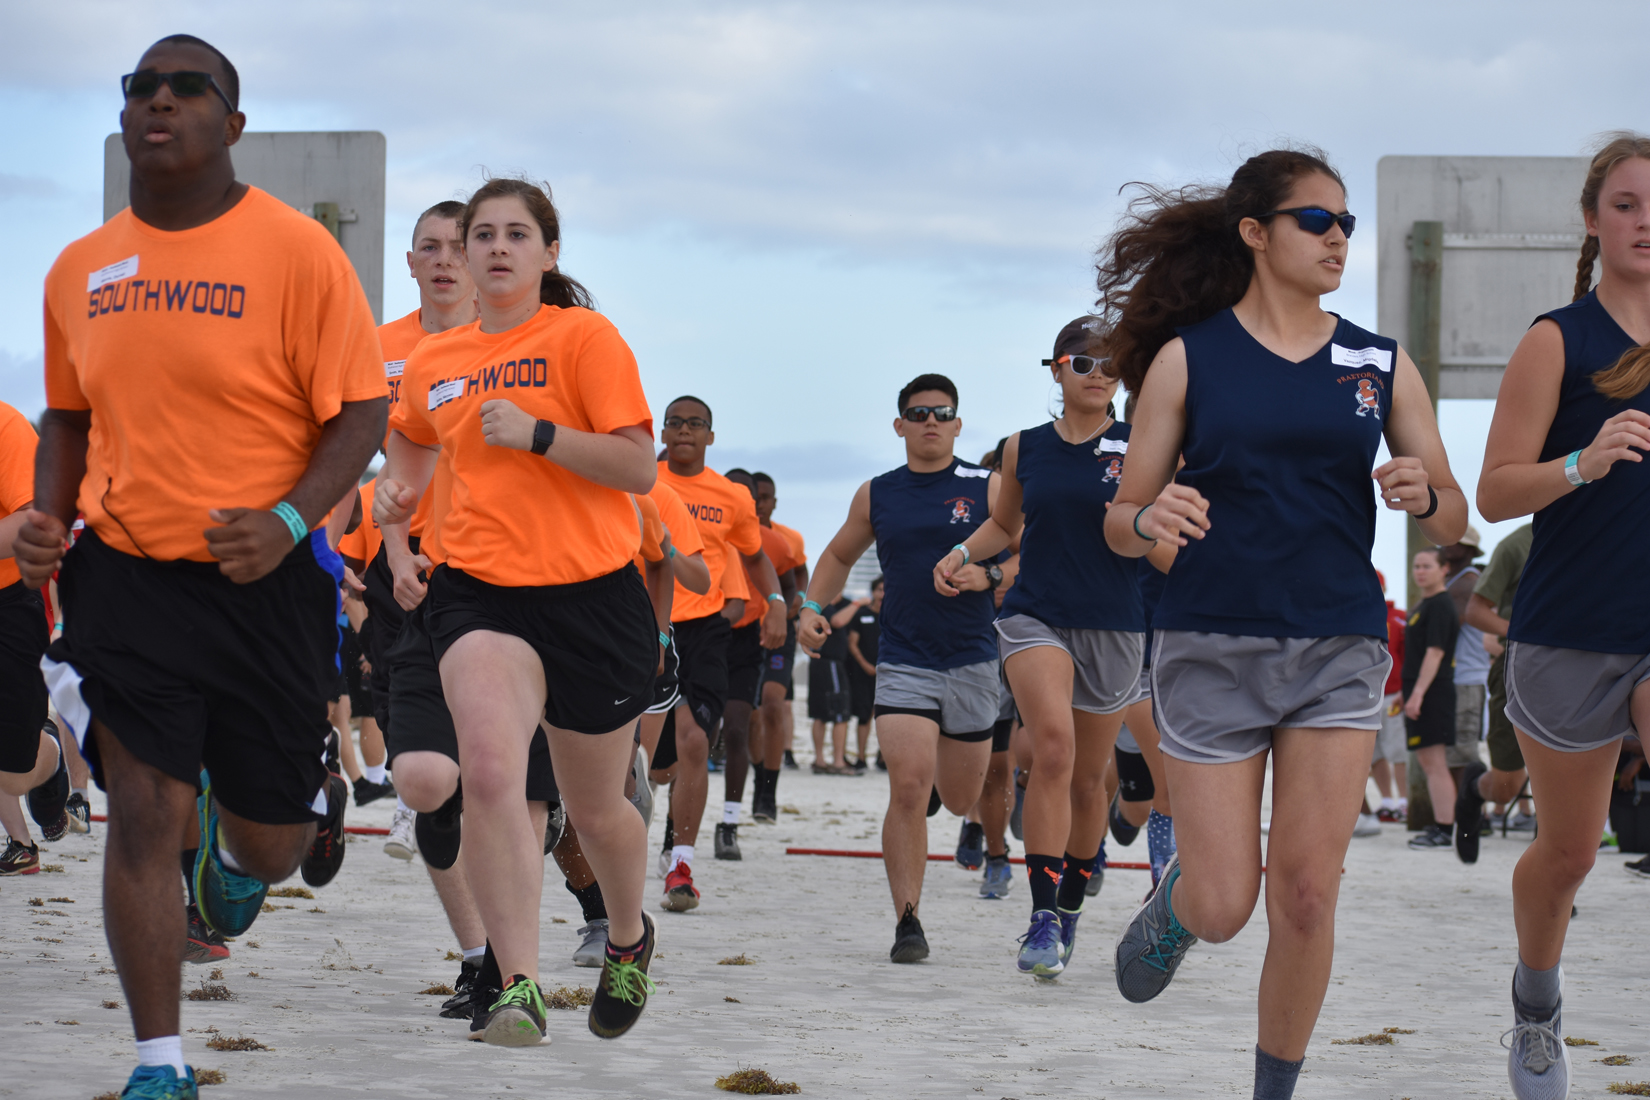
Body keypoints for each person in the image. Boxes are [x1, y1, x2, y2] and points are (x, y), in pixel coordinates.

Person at [24, 36, 388, 1099]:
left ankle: (237, 860)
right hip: (131, 573)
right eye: (141, 87)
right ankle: (159, 1062)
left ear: (231, 125)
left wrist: (287, 520)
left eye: (189, 89)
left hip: (265, 582)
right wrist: (49, 512)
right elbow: (66, 413)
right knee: (141, 804)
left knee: (273, 841)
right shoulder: (78, 269)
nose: (160, 102)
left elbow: (361, 408)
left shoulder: (298, 251)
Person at [1096, 148, 1465, 1100]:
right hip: (1210, 644)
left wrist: (1429, 493)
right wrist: (1151, 518)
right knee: (1226, 905)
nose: (1339, 237)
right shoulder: (1190, 358)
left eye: (1347, 224)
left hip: (1337, 646)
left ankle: (1274, 1089)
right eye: (1317, 220)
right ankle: (1174, 911)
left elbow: (1457, 515)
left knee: (1306, 893)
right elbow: (1121, 519)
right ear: (1257, 234)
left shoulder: (1379, 362)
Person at [377, 176, 658, 1045]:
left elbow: (638, 468)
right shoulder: (432, 361)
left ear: (548, 252)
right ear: (459, 256)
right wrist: (396, 501)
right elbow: (413, 446)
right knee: (492, 773)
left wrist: (538, 434)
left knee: (598, 807)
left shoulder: (584, 338)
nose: (497, 248)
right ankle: (519, 984)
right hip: (479, 591)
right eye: (482, 236)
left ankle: (627, 935)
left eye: (516, 234)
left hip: (592, 596)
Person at [1474, 133, 1650, 1100]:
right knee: (1570, 853)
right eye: (1626, 204)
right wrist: (1585, 459)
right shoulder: (1558, 339)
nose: (1644, 222)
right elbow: (1497, 491)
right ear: (1594, 220)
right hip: (1571, 630)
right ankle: (1536, 1006)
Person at [934, 315, 1145, 979]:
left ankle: (1074, 899)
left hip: (1116, 622)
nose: (1099, 372)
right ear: (1057, 368)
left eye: (1113, 363)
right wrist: (964, 551)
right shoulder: (1024, 448)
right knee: (1052, 748)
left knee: (1090, 779)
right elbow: (1004, 523)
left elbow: (1168, 532)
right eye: (1085, 361)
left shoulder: (1142, 447)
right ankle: (1043, 916)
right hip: (1036, 618)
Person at [799, 373, 1002, 964]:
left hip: (972, 660)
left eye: (942, 413)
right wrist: (813, 607)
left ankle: (950, 800)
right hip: (904, 658)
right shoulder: (878, 493)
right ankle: (908, 921)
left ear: (959, 424)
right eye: (918, 414)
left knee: (961, 797)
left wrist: (987, 575)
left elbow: (1024, 555)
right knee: (908, 786)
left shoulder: (988, 487)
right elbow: (838, 554)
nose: (931, 421)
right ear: (900, 426)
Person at [366, 199, 480, 861]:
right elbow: (366, 453)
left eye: (457, 247)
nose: (444, 260)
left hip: (489, 555)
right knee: (393, 687)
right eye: (429, 247)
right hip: (404, 548)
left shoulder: (508, 343)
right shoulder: (377, 347)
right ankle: (420, 798)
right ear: (410, 262)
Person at [652, 398, 786, 910]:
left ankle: (681, 866)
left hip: (706, 630)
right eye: (676, 422)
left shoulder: (731, 497)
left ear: (711, 436)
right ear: (663, 432)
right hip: (644, 624)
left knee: (694, 744)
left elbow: (755, 557)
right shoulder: (641, 479)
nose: (684, 430)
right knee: (652, 765)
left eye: (696, 424)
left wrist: (774, 602)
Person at [713, 469, 798, 858]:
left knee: (750, 720)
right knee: (691, 739)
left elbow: (795, 583)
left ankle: (750, 805)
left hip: (755, 636)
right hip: (703, 632)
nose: (751, 504)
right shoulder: (704, 529)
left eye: (756, 498)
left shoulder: (779, 542)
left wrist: (782, 608)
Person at [0, 402, 71, 863]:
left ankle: (50, 758)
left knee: (11, 772)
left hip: (10, 602)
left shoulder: (5, 423)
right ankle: (21, 845)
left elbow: (34, 519)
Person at [1461, 521, 1536, 851]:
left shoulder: (1605, 535)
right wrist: (1526, 633)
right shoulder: (1516, 545)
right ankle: (1474, 790)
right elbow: (1476, 613)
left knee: (1565, 785)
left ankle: (1558, 896)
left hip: (1581, 672)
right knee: (1506, 787)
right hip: (1518, 669)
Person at [750, 471, 808, 798]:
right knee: (750, 715)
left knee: (773, 704)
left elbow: (800, 573)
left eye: (766, 497)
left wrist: (798, 601)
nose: (759, 504)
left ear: (774, 502)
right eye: (754, 497)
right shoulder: (735, 536)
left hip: (779, 632)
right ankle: (759, 773)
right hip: (744, 632)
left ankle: (768, 790)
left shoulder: (789, 538)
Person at [1403, 547, 1461, 851]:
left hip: (1434, 691)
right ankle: (1441, 824)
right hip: (1421, 689)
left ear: (1444, 569)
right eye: (1416, 566)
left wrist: (1418, 694)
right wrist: (1407, 692)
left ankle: (1443, 829)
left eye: (1427, 566)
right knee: (1428, 762)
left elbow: (1435, 653)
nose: (1420, 571)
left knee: (1435, 762)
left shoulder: (1440, 604)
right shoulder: (1423, 605)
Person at [1442, 529, 1492, 779]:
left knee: (1462, 757)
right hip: (1461, 678)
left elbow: (1441, 629)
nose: (1448, 544)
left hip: (1466, 679)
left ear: (1470, 550)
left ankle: (1472, 816)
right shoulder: (1455, 580)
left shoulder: (1466, 582)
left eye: (1457, 542)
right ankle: (1467, 816)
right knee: (1454, 756)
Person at [1371, 569, 1410, 822]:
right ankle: (1386, 800)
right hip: (1366, 697)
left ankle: (1405, 801)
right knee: (1374, 752)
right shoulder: (1352, 616)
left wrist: (1407, 691)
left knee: (1397, 750)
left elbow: (1408, 657)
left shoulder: (1398, 619)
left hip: (1393, 694)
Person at [806, 596, 860, 772]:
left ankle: (820, 760)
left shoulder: (816, 606)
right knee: (840, 712)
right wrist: (857, 603)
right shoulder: (825, 606)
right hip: (830, 663)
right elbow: (837, 621)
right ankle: (837, 761)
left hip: (819, 662)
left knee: (820, 713)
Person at [846, 577, 884, 771]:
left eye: (885, 590)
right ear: (873, 592)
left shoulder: (893, 616)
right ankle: (861, 757)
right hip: (863, 674)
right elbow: (852, 643)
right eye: (879, 590)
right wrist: (865, 665)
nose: (882, 594)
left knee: (886, 718)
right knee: (864, 716)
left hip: (887, 675)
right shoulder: (861, 615)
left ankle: (883, 758)